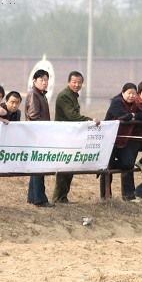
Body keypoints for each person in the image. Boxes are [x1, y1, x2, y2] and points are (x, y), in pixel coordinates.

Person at [52, 71, 101, 204]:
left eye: (79, 82)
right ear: (69, 82)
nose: (77, 84)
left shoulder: (72, 95)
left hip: (71, 136)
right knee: (64, 167)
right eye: (74, 82)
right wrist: (90, 121)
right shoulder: (65, 96)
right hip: (64, 136)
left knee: (70, 167)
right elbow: (72, 116)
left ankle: (63, 197)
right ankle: (58, 198)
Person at [100, 82, 142, 201]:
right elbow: (122, 115)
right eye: (129, 93)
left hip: (123, 140)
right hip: (110, 139)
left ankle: (128, 195)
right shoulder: (116, 102)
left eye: (134, 94)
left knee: (128, 164)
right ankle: (105, 197)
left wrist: (133, 115)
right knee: (106, 170)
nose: (131, 96)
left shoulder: (134, 104)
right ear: (123, 92)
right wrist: (132, 115)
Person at [25, 69, 53, 207]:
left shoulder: (41, 94)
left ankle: (32, 197)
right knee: (39, 168)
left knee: (36, 167)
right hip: (37, 135)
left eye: (46, 79)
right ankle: (40, 199)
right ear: (34, 81)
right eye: (42, 79)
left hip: (40, 135)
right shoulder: (34, 94)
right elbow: (34, 116)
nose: (44, 82)